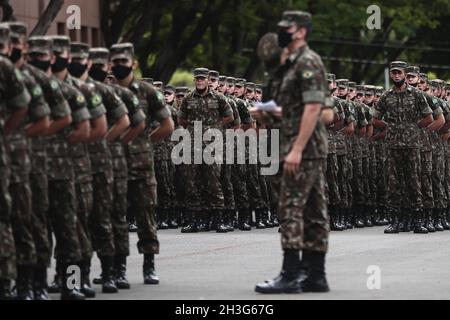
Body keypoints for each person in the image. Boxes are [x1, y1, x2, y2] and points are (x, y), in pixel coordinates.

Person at [255, 11, 330, 294]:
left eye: (288, 27)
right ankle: (315, 275)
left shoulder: (307, 62)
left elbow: (315, 109)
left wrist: (297, 149)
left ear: (301, 32)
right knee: (313, 210)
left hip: (304, 149)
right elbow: (297, 109)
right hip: (301, 146)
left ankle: (290, 274)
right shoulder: (291, 65)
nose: (282, 32)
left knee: (290, 208)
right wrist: (271, 113)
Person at [110, 42, 174, 284]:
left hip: (142, 165)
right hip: (115, 165)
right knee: (117, 217)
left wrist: (145, 141)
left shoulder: (148, 92)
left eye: (123, 62)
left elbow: (168, 125)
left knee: (146, 215)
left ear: (133, 64)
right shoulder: (108, 92)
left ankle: (149, 266)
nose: (119, 67)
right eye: (115, 63)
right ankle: (118, 269)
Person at [373, 61, 433, 234]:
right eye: (394, 73)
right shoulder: (386, 96)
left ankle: (417, 221)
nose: (396, 76)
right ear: (391, 75)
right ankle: (396, 222)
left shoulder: (416, 94)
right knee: (394, 184)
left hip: (412, 145)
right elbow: (375, 118)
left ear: (405, 74)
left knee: (414, 181)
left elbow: (429, 118)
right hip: (393, 145)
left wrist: (413, 127)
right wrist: (389, 127)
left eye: (399, 73)